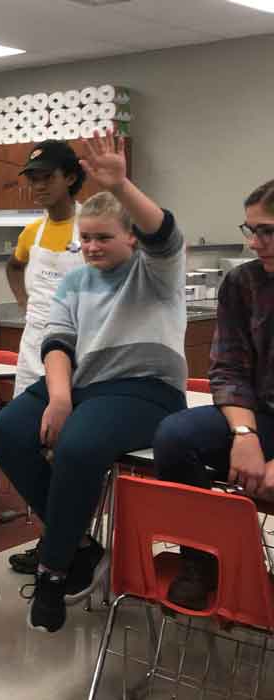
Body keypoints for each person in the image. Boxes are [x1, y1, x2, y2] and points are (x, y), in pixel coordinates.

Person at [0, 131, 188, 633]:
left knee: (77, 444)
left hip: (146, 390)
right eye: (87, 238)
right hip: (85, 385)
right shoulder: (77, 279)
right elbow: (58, 343)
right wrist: (57, 397)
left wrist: (121, 185)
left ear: (130, 238)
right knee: (9, 430)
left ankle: (54, 573)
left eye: (104, 237)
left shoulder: (155, 271)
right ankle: (80, 546)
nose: (92, 246)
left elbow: (164, 231)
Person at [151, 179, 274, 610]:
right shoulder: (244, 283)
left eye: (268, 231)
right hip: (263, 415)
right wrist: (245, 436)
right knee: (174, 435)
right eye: (251, 230)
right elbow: (229, 368)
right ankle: (202, 559)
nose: (256, 242)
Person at [2, 140, 87, 577]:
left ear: (70, 177)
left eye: (46, 177)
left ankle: (66, 541)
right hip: (33, 350)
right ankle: (61, 538)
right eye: (32, 178)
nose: (37, 186)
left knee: (66, 453)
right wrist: (24, 305)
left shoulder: (89, 226)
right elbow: (13, 267)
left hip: (76, 356)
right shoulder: (32, 232)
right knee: (25, 445)